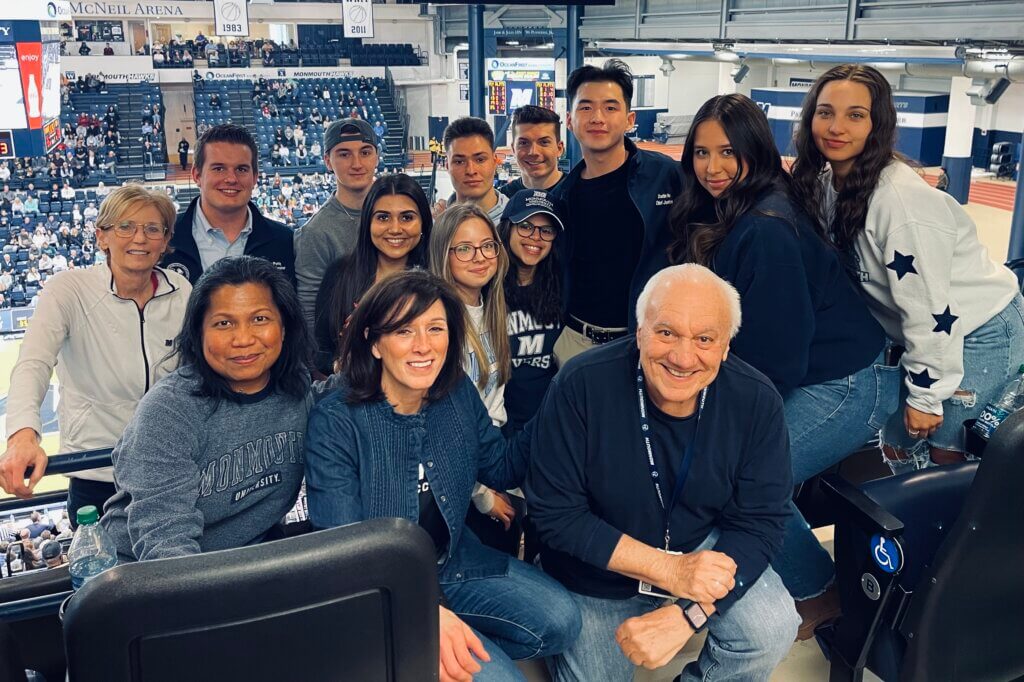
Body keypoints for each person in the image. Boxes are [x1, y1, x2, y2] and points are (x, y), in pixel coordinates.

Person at [786, 63, 1024, 606]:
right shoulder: (830, 180)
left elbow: (928, 311)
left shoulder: (900, 203)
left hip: (976, 330)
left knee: (947, 457)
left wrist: (925, 394)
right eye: (825, 112)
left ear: (879, 124)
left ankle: (953, 591)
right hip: (928, 335)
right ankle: (913, 570)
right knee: (900, 451)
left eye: (855, 115)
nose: (836, 126)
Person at [667, 93, 894, 637]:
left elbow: (778, 360)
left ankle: (820, 594)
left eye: (727, 152)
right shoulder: (740, 205)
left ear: (755, 150)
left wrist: (712, 418)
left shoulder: (766, 227)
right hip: (819, 372)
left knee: (743, 480)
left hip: (843, 385)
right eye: (701, 153)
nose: (712, 168)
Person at [304, 270, 581, 682]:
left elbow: (501, 465)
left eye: (435, 328)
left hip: (454, 562)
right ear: (375, 343)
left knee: (563, 622)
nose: (423, 346)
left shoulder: (455, 390)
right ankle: (407, 652)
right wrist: (424, 611)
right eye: (403, 331)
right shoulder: (336, 419)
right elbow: (346, 549)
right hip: (383, 590)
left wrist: (558, 400)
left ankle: (438, 649)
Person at [527, 264, 799, 680]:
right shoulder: (580, 384)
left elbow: (760, 523)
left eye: (705, 339)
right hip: (598, 570)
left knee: (772, 627)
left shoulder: (757, 400)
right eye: (666, 332)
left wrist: (689, 615)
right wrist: (669, 571)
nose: (683, 357)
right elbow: (557, 516)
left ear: (726, 346)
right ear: (638, 332)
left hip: (698, 546)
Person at [100, 256, 311, 561]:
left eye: (260, 319)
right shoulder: (168, 411)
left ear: (285, 327)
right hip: (151, 579)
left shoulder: (299, 389)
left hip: (247, 567)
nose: (243, 339)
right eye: (224, 323)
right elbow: (165, 545)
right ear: (198, 334)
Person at [0, 186, 190, 518]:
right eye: (125, 226)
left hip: (169, 470)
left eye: (152, 228)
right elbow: (34, 362)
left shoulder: (182, 290)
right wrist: (22, 436)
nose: (139, 238)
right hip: (98, 474)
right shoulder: (69, 289)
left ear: (165, 240)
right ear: (102, 237)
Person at [553, 59, 683, 365]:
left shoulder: (667, 177)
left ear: (629, 119)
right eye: (586, 107)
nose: (597, 117)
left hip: (644, 341)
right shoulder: (562, 197)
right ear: (570, 120)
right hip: (576, 340)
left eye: (610, 107)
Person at [429, 204, 520, 555]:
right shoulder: (439, 323)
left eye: (487, 246)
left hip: (492, 455)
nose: (479, 257)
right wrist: (481, 495)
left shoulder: (491, 308)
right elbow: (440, 428)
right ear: (443, 254)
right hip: (463, 476)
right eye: (464, 248)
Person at [313, 174, 430, 375]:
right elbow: (321, 350)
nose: (395, 228)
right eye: (383, 217)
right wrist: (339, 365)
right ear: (368, 222)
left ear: (423, 224)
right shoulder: (339, 274)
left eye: (407, 217)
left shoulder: (435, 279)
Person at [163, 124, 295, 286]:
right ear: (197, 175)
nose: (231, 179)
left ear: (254, 177)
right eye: (219, 168)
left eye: (241, 169)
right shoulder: (164, 238)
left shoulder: (286, 241)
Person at [294, 119, 379, 339]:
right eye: (344, 154)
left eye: (365, 152)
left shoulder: (402, 213)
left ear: (377, 156)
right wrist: (323, 368)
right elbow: (309, 311)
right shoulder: (316, 233)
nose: (357, 163)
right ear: (327, 161)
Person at [497, 189, 565, 434]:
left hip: (551, 425)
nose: (535, 237)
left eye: (546, 230)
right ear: (508, 229)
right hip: (503, 428)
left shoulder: (561, 286)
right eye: (525, 226)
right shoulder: (487, 288)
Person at [434, 117, 509, 226]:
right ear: (447, 166)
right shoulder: (434, 224)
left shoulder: (518, 221)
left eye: (480, 160)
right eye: (459, 162)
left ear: (494, 162)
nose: (471, 170)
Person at [500, 106, 566, 198]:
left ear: (559, 149)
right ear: (513, 149)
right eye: (523, 143)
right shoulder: (502, 199)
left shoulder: (579, 194)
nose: (533, 152)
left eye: (544, 142)